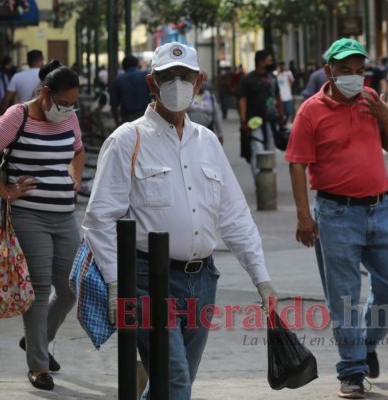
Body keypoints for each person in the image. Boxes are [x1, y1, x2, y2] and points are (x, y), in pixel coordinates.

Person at [83, 41, 276, 399]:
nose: (177, 84)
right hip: (145, 281)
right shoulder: (126, 140)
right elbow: (99, 219)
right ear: (150, 83)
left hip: (201, 282)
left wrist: (261, 279)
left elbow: (234, 216)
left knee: (172, 382)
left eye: (184, 76)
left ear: (199, 82)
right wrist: (114, 282)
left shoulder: (207, 142)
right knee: (174, 381)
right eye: (167, 76)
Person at [285, 38, 388, 399]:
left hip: (380, 208)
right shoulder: (311, 110)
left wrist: (385, 115)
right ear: (330, 71)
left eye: (360, 71)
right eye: (346, 71)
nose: (355, 77)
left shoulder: (372, 100)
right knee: (344, 298)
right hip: (336, 213)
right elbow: (296, 164)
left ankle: (365, 343)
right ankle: (352, 370)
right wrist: (303, 216)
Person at [0, 60, 84, 391]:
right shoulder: (17, 116)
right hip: (29, 215)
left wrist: (75, 176)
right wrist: (5, 191)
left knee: (70, 288)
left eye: (72, 103)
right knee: (39, 289)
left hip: (65, 215)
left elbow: (77, 150)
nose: (67, 109)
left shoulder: (71, 119)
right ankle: (38, 364)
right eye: (63, 102)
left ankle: (38, 338)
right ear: (45, 92)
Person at [238, 50, 283, 174]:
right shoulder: (247, 79)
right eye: (269, 60)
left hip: (271, 120)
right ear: (260, 61)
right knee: (257, 149)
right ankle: (259, 178)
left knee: (270, 149)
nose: (271, 62)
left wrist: (281, 115)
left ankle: (269, 177)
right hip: (254, 121)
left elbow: (278, 96)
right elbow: (242, 100)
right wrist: (243, 121)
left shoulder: (272, 78)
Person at [110, 55, 152, 126]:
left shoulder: (118, 80)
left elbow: (114, 105)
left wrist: (117, 121)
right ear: (137, 64)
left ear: (123, 66)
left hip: (128, 118)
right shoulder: (145, 76)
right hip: (145, 115)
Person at [0, 49, 44, 114]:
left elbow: (6, 100)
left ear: (28, 61)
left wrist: (2, 117)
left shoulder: (17, 76)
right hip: (41, 116)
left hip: (22, 116)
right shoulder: (47, 76)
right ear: (41, 60)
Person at [187, 72, 224, 144]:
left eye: (205, 80)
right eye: (201, 80)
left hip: (207, 133)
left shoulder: (210, 97)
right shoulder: (188, 95)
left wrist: (220, 133)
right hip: (190, 133)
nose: (203, 82)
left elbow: (217, 116)